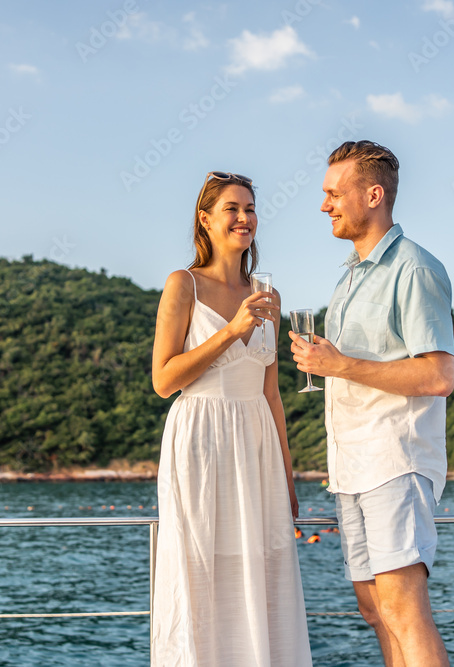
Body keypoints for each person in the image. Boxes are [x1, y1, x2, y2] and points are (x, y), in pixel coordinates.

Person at [289, 141, 454, 667]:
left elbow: (439, 374)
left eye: (334, 194)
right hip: (352, 467)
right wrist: (326, 363)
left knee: (403, 608)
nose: (325, 205)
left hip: (396, 461)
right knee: (374, 607)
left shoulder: (414, 269)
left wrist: (340, 366)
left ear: (374, 194)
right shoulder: (349, 277)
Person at [150, 171, 313, 666]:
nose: (244, 218)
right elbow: (163, 380)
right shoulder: (184, 284)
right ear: (205, 219)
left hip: (256, 441)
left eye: (250, 209)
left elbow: (273, 395)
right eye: (232, 209)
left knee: (259, 571)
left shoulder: (269, 296)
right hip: (200, 437)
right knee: (200, 570)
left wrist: (287, 476)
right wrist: (232, 330)